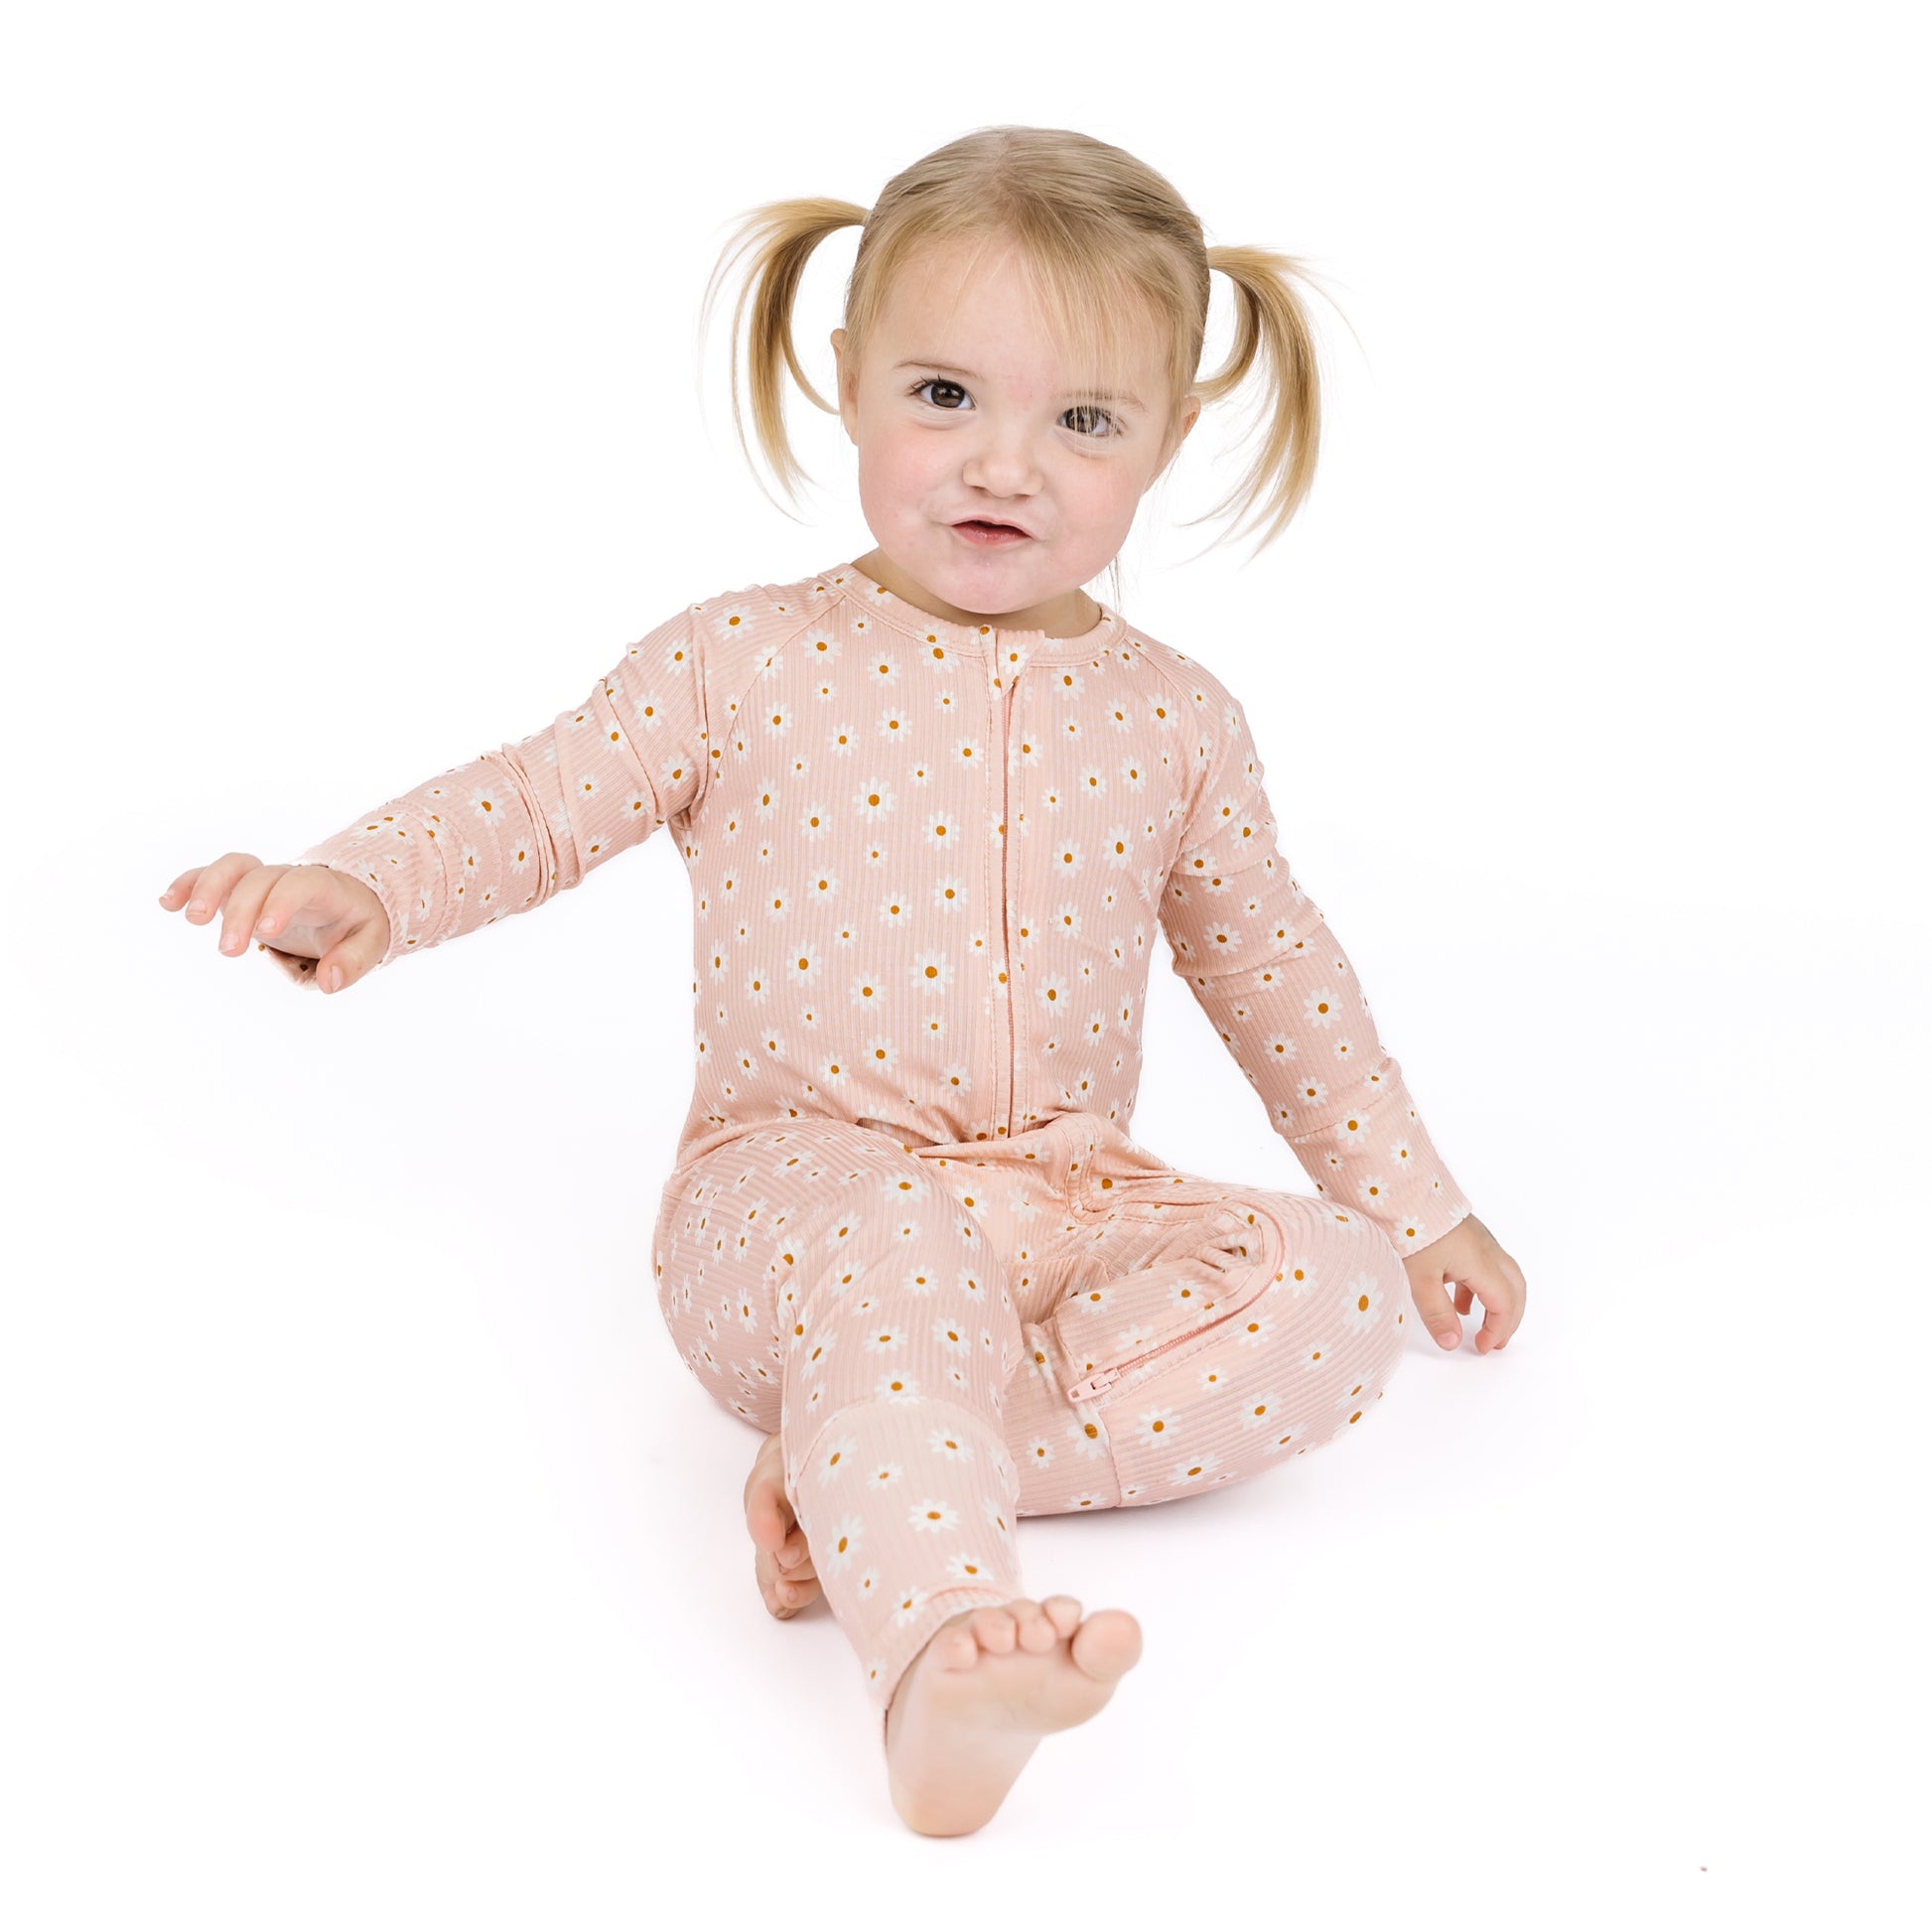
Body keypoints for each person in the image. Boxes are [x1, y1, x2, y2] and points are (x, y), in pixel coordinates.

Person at [158, 125, 1528, 1837]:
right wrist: (362, 878)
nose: (1003, 466)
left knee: (1330, 1294)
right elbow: (536, 797)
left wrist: (1411, 1212)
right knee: (896, 1247)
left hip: (1065, 1209)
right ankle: (940, 1651)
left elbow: (1278, 972)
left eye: (1082, 421)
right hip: (795, 1209)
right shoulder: (742, 657)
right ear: (848, 380)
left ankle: (862, 1451)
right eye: (944, 394)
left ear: (1169, 438)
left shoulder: (1177, 719)